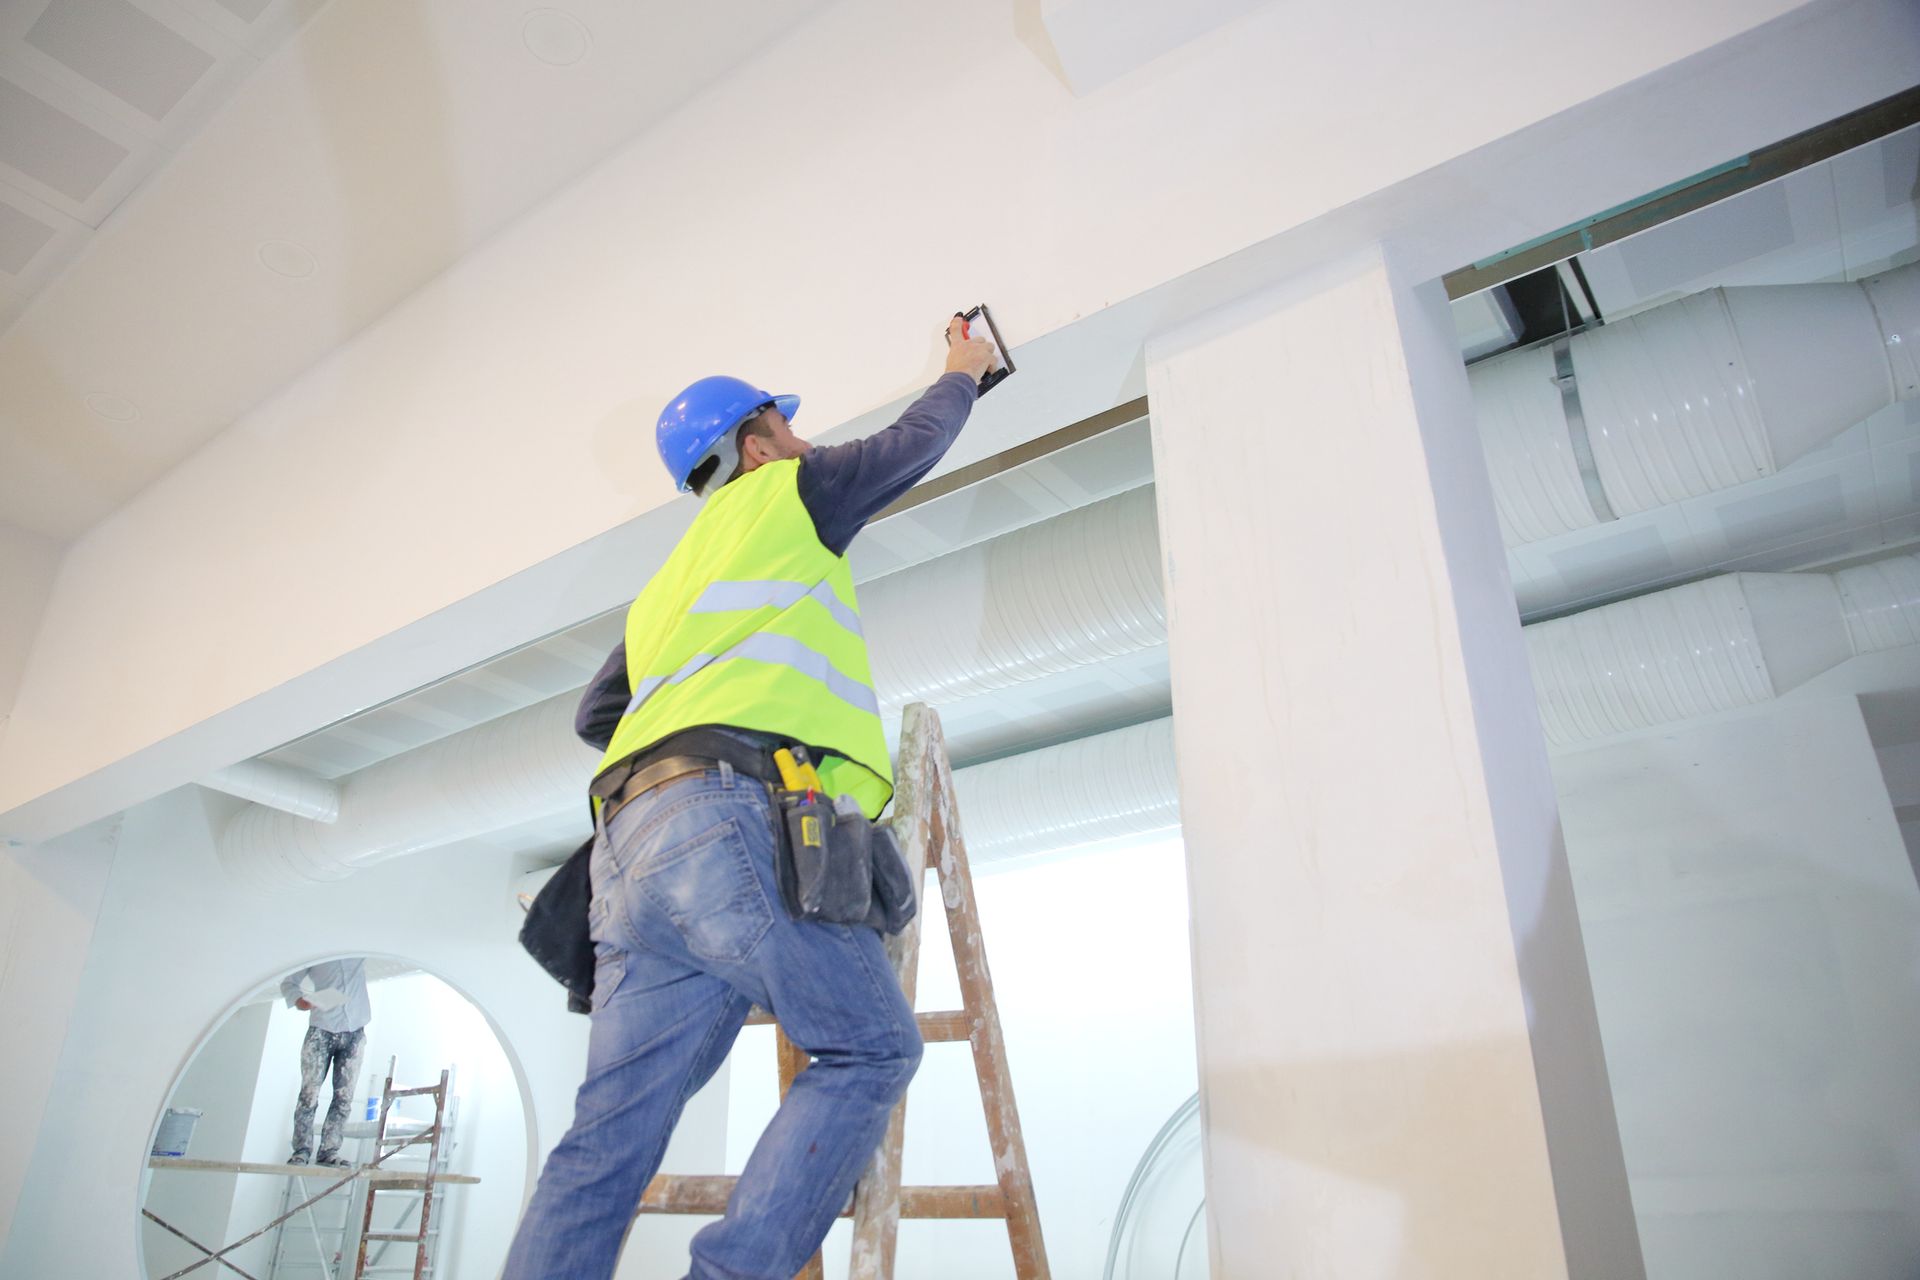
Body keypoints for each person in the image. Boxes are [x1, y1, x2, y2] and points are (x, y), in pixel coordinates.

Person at [502, 318, 997, 1278]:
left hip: (625, 854)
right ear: (757, 442)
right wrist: (964, 370)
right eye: (787, 423)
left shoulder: (667, 589)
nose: (804, 440)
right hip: (720, 823)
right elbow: (914, 444)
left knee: (607, 1140)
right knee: (870, 1050)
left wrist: (684, 744)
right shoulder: (785, 494)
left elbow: (599, 711)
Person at [278, 957, 371, 1167]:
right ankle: (301, 1151)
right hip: (322, 1029)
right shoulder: (318, 952)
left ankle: (329, 1152)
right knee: (309, 1095)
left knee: (344, 1097)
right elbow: (288, 982)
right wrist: (300, 1001)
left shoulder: (358, 948)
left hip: (355, 1030)